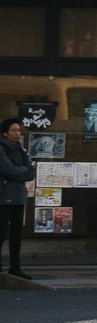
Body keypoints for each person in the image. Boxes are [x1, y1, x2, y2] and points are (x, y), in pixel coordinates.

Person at [0, 116, 31, 277]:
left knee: (16, 236)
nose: (17, 133)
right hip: (3, 198)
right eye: (13, 130)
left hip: (19, 197)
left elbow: (31, 171)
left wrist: (19, 173)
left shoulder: (21, 149)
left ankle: (15, 267)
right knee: (1, 233)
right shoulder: (1, 148)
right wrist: (22, 171)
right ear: (5, 133)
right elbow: (8, 169)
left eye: (19, 130)